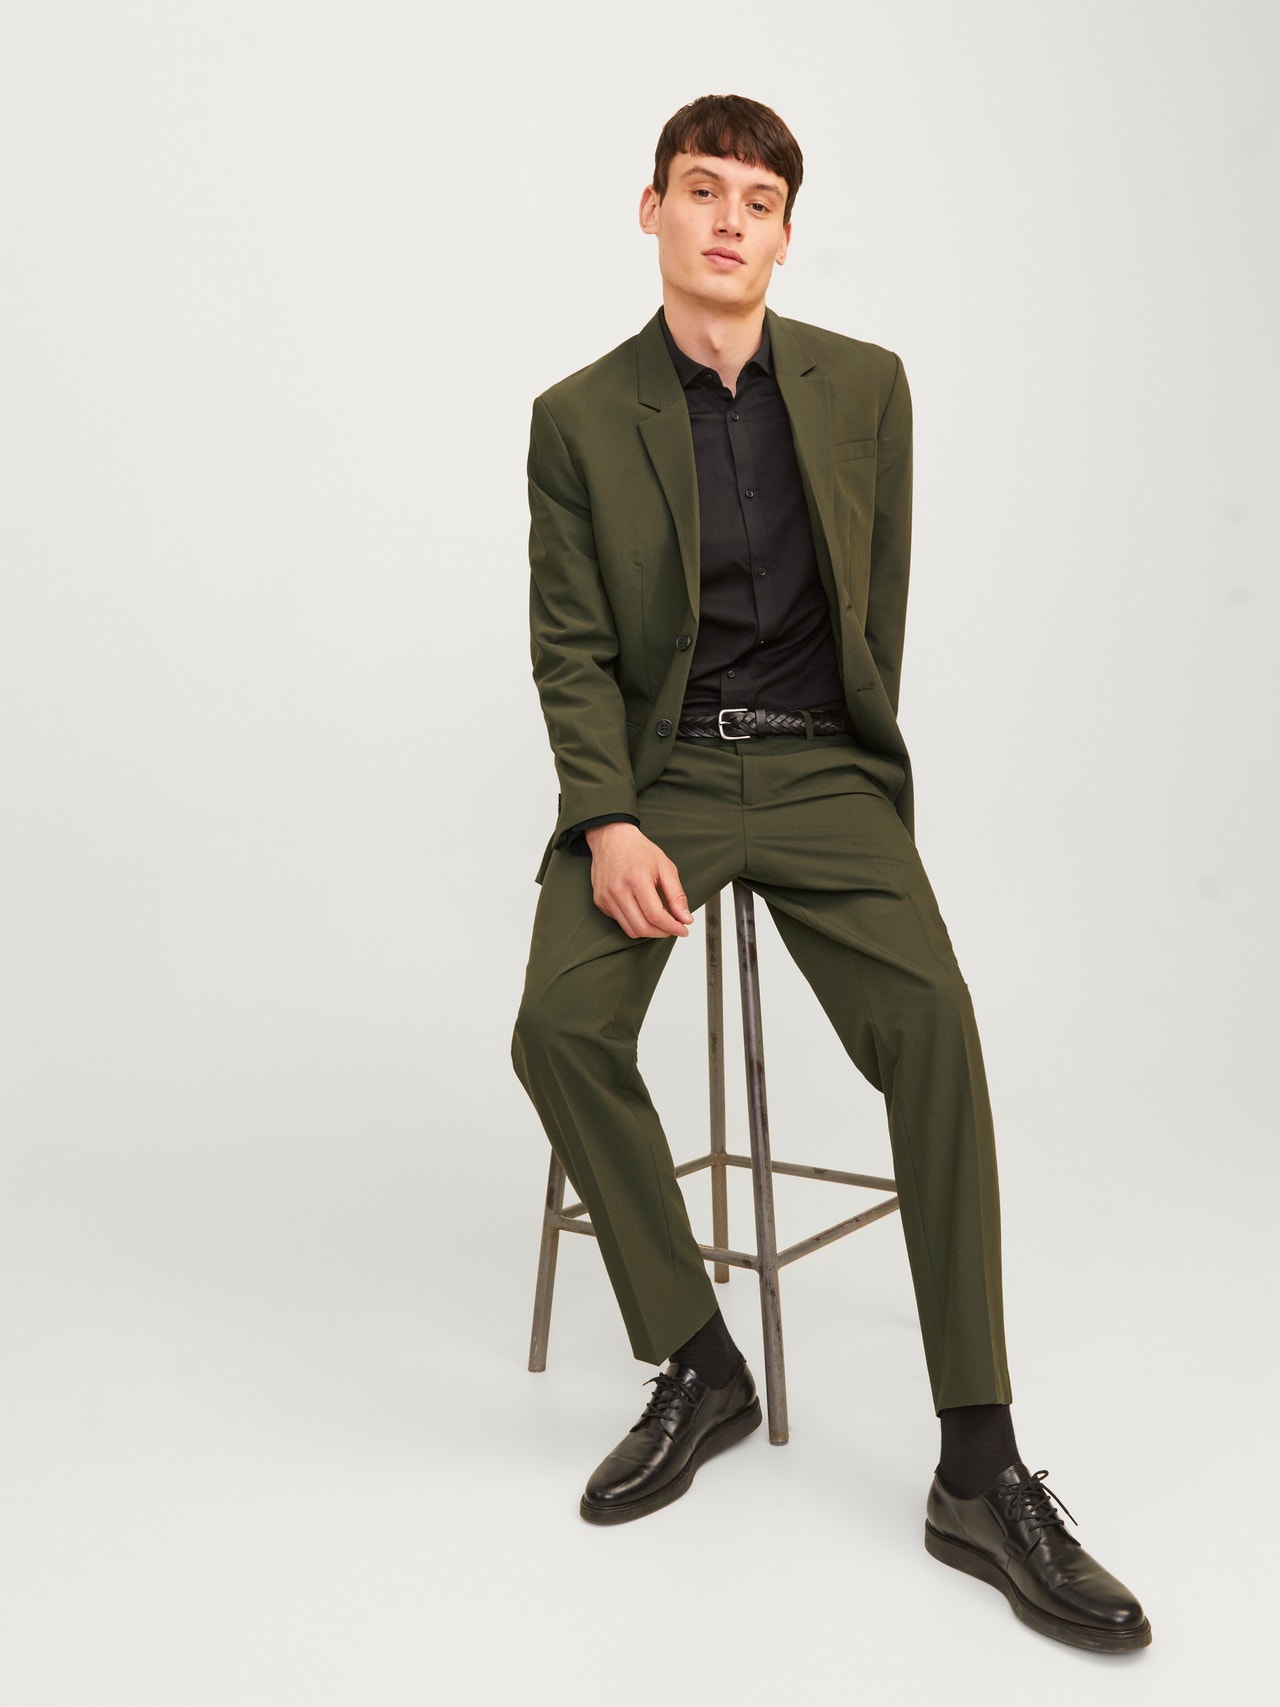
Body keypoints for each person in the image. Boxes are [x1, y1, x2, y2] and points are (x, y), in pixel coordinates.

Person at [510, 93, 1149, 1655]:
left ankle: (980, 1467)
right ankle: (699, 1357)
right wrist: (608, 818)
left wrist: (858, 773)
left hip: (818, 770)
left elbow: (882, 598)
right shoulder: (579, 418)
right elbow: (572, 645)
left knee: (935, 1027)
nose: (729, 221)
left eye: (759, 201)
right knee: (559, 1027)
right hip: (659, 781)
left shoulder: (866, 387)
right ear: (651, 211)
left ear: (787, 234)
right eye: (701, 190)